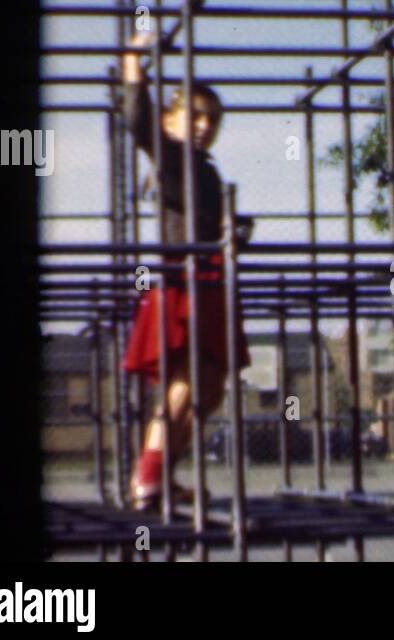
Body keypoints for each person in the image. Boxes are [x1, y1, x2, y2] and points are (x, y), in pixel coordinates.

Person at [120, 31, 250, 511]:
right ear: (172, 120)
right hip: (187, 278)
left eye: (212, 119)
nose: (203, 125)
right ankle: (149, 476)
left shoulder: (202, 167)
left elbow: (211, 220)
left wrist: (232, 230)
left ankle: (159, 476)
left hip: (208, 274)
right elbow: (137, 119)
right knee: (191, 380)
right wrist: (133, 59)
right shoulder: (174, 157)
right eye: (193, 115)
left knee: (209, 387)